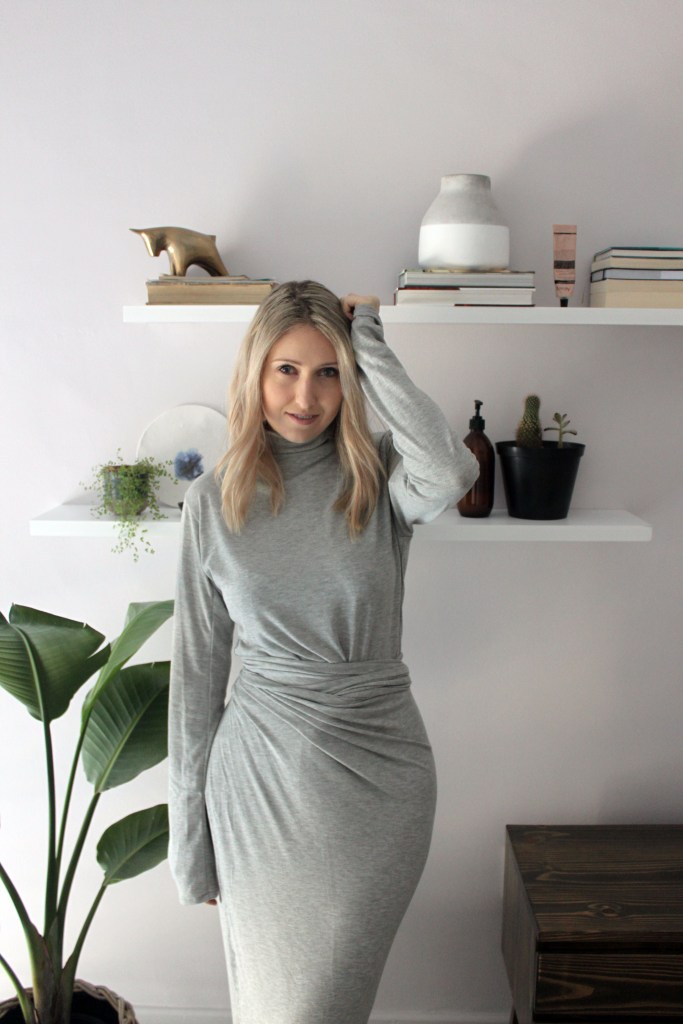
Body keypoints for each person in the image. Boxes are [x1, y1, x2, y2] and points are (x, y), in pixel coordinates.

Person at [168, 281, 479, 1024]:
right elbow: (196, 676)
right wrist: (189, 840)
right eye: (286, 370)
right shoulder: (212, 501)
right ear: (255, 371)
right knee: (276, 1006)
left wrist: (368, 339)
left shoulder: (380, 476)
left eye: (328, 372)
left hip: (376, 777)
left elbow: (451, 472)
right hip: (259, 784)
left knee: (320, 1005)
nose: (305, 396)